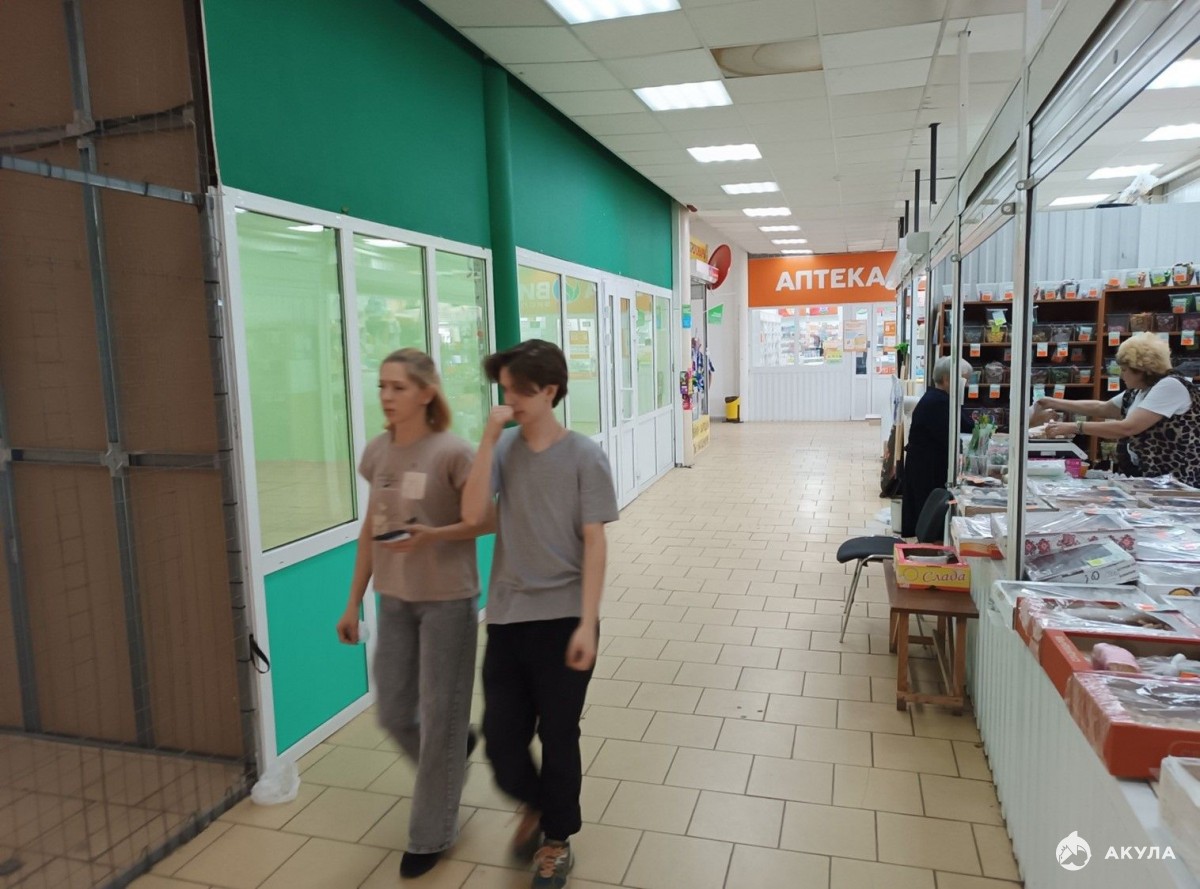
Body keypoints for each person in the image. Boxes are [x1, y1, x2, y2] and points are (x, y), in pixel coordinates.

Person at [461, 339, 619, 889]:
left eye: (518, 392)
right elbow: (474, 515)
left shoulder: (584, 456)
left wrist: (587, 622)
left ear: (550, 390)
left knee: (558, 733)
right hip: (508, 615)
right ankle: (535, 802)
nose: (508, 401)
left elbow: (594, 542)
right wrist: (487, 441)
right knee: (501, 737)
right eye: (504, 390)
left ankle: (556, 839)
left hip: (565, 618)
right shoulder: (503, 448)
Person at [336, 348, 489, 880]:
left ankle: (431, 834)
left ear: (426, 393)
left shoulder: (453, 452)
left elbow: (486, 519)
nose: (386, 396)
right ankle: (453, 750)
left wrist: (433, 535)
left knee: (441, 716)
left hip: (448, 600)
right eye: (382, 386)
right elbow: (370, 530)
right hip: (394, 599)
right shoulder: (377, 452)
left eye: (398, 387)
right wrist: (353, 600)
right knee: (395, 712)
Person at [1040, 332, 1200, 485]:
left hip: (1175, 480)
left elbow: (1128, 427)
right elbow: (1102, 408)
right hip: (1150, 477)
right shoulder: (1140, 390)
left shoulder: (1170, 386)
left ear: (1143, 371)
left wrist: (1076, 427)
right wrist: (1053, 402)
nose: (1121, 375)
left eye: (1124, 370)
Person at [900, 356, 973, 537]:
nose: (967, 386)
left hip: (926, 465)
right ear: (947, 379)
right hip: (928, 469)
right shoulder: (939, 402)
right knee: (928, 520)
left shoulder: (938, 398)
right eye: (964, 380)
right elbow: (965, 429)